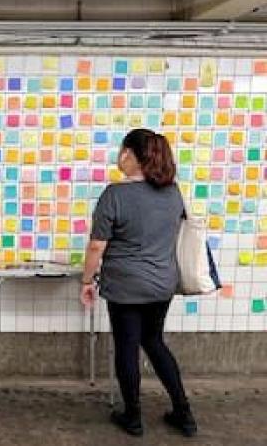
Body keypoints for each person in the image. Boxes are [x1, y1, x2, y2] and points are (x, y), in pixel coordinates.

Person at [79, 128, 198, 437]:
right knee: (155, 341)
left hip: (127, 286)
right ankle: (184, 414)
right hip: (162, 284)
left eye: (123, 151)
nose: (120, 156)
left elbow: (96, 247)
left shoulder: (115, 195)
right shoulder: (173, 193)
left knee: (128, 347)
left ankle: (132, 416)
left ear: (131, 155)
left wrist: (86, 281)